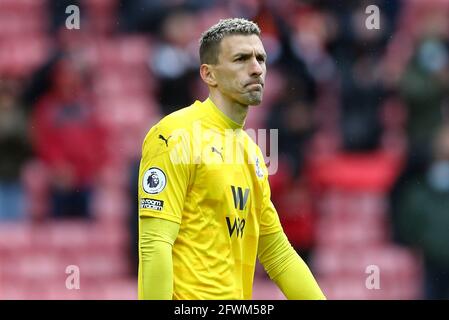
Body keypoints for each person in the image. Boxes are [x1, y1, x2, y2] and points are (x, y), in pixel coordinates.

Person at [137, 18, 326, 300]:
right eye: (241, 59)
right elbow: (155, 242)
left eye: (261, 58)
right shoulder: (175, 135)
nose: (256, 68)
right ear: (209, 74)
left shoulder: (251, 152)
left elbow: (278, 254)